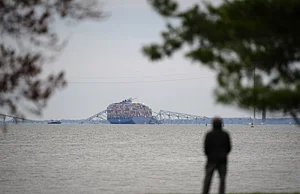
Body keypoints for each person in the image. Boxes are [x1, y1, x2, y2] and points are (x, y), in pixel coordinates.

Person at [202, 117, 231, 194]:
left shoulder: (209, 134)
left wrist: (209, 156)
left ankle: (205, 192)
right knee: (222, 180)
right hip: (222, 160)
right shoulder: (225, 134)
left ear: (213, 125)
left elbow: (205, 148)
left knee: (208, 179)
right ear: (221, 124)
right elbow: (229, 148)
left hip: (211, 160)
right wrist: (224, 154)